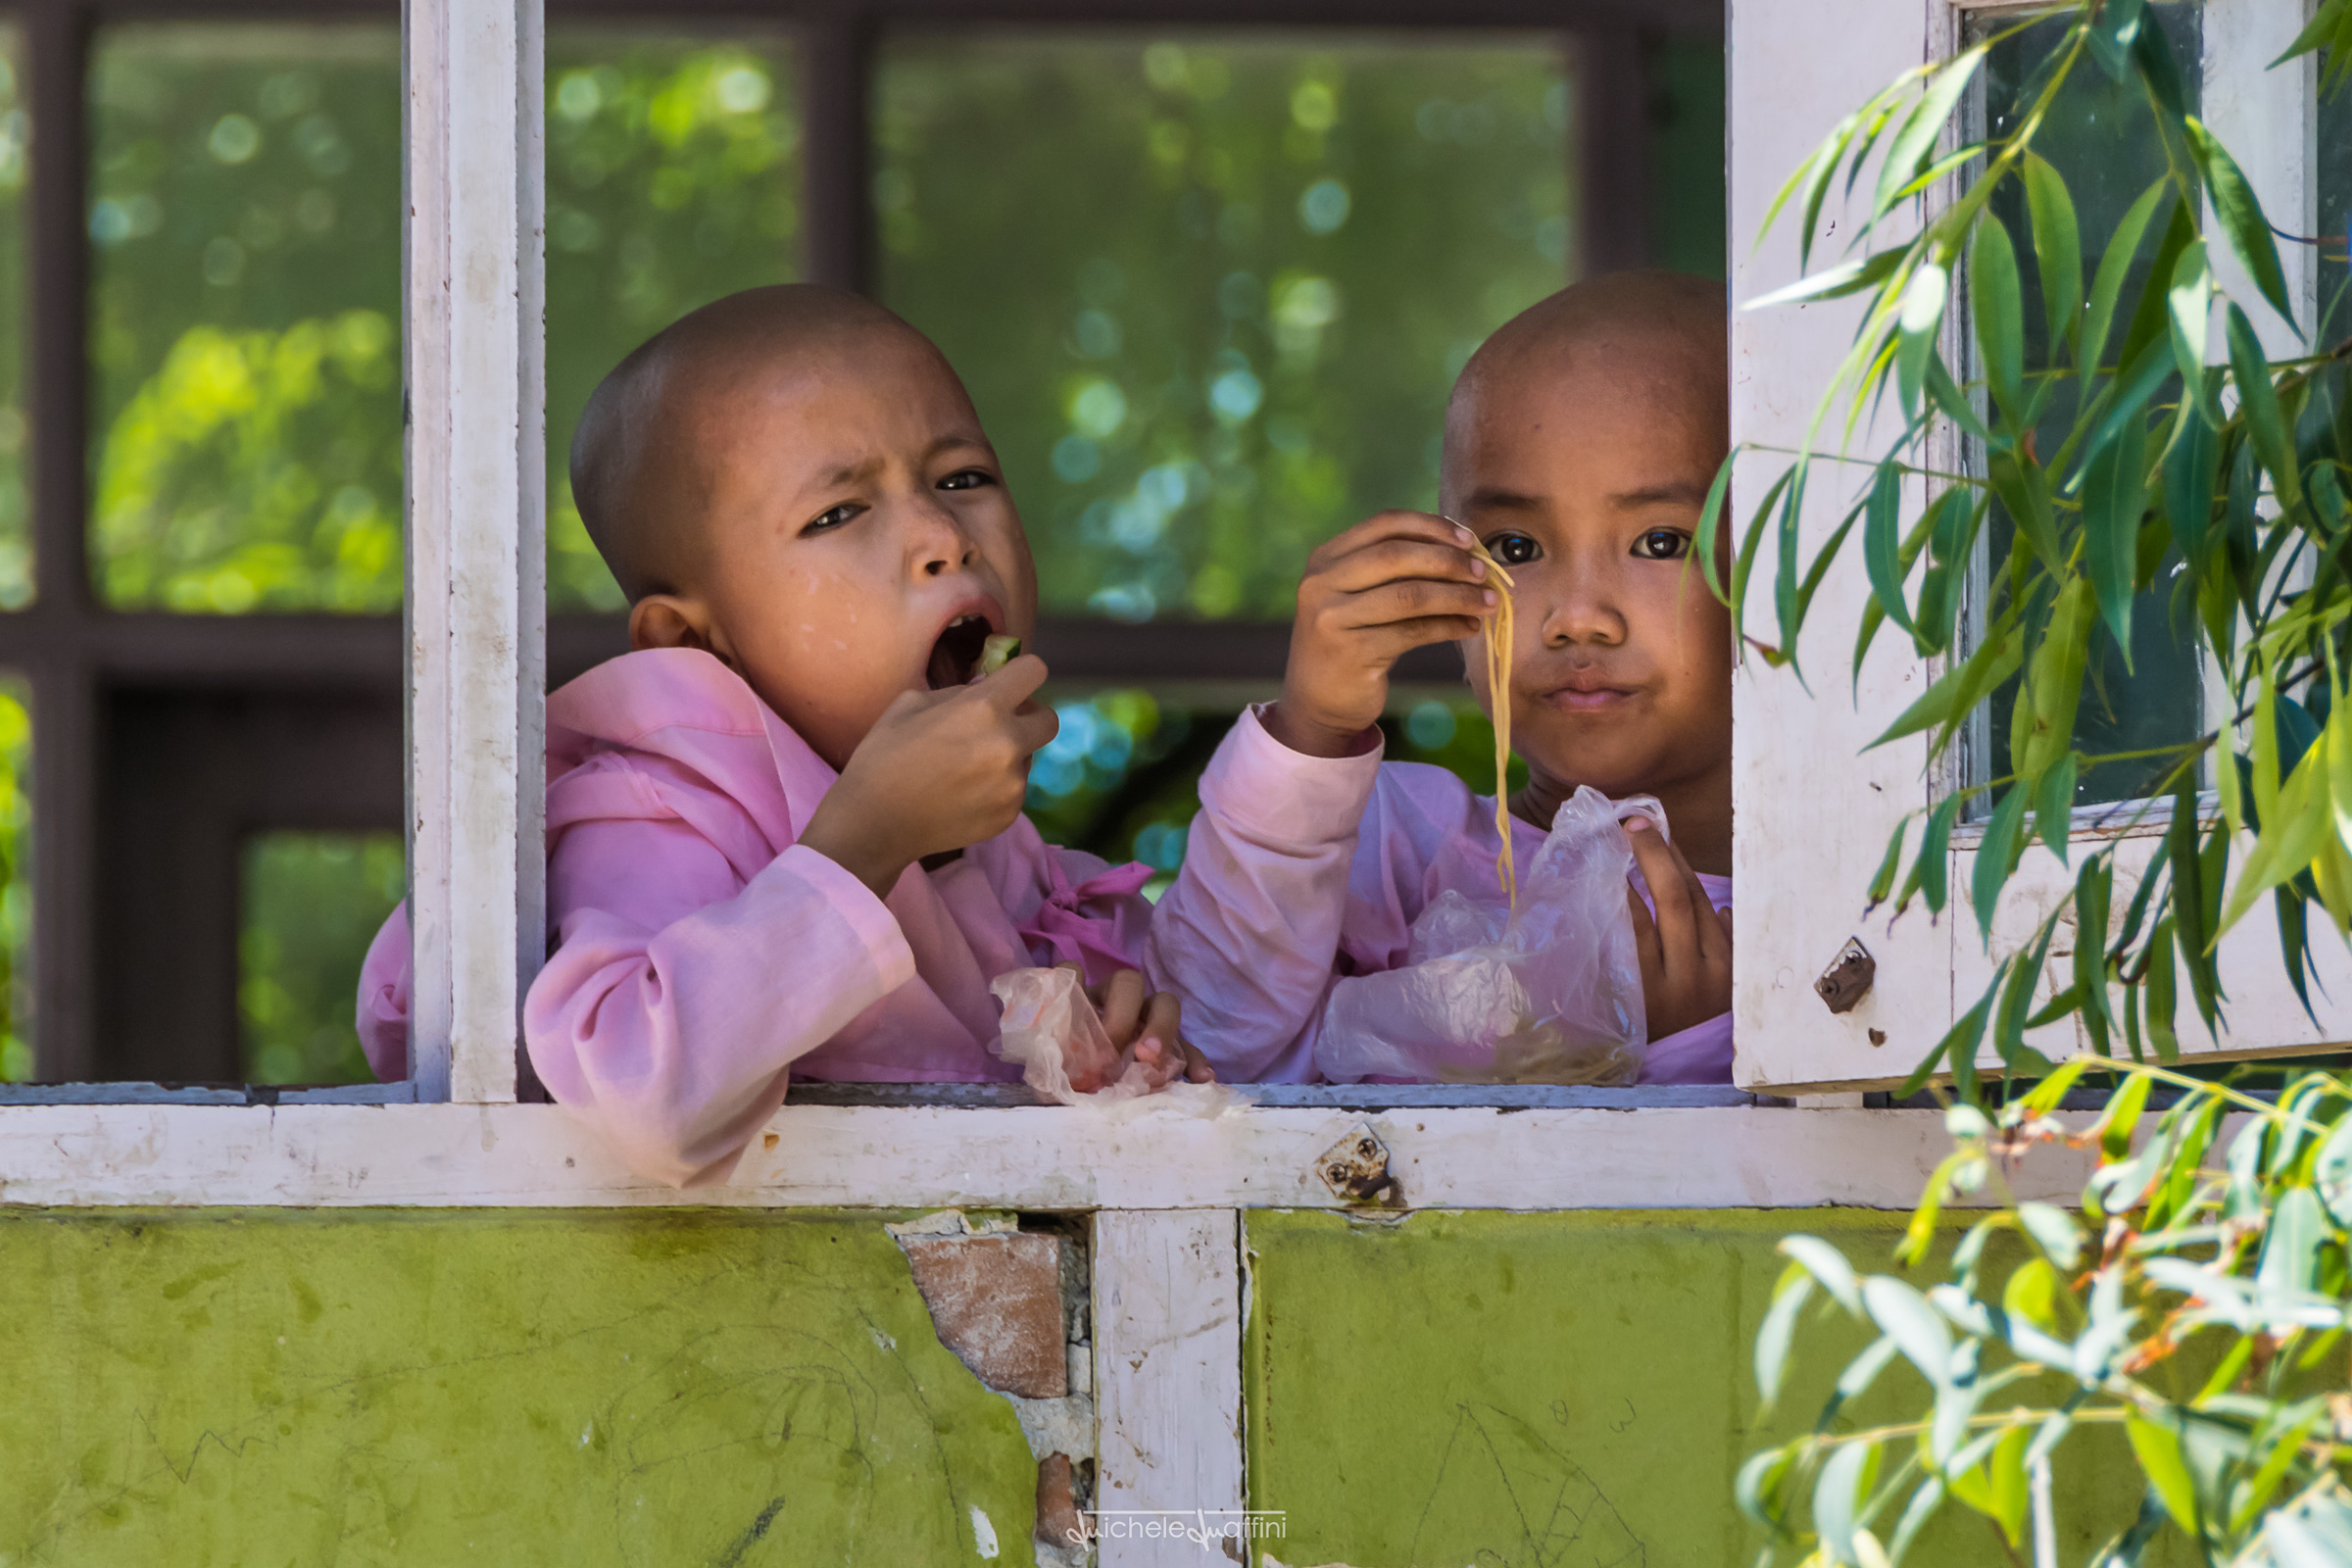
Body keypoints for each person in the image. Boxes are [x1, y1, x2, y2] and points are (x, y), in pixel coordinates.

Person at [357, 284, 1209, 1186]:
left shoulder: (1006, 862)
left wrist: (1111, 1051)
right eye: (837, 514)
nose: (943, 537)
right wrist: (861, 845)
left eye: (962, 478)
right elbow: (637, 1095)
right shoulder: (659, 813)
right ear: (694, 642)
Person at [1148, 271, 1736, 1084]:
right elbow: (1208, 1040)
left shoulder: (1866, 904)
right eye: (1516, 549)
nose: (1578, 617)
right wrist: (1310, 737)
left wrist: (1691, 1048)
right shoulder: (1396, 849)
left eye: (1661, 542)